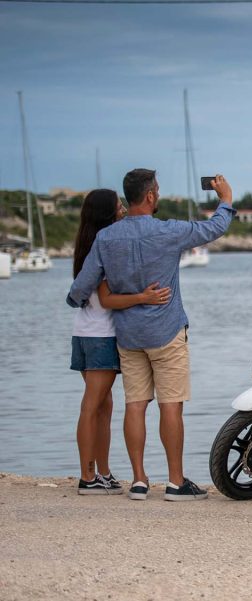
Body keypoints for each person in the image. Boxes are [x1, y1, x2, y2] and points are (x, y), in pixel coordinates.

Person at [67, 169, 235, 501]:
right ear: (150, 196)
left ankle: (139, 481)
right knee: (170, 405)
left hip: (129, 336)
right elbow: (214, 227)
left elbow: (82, 286)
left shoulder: (107, 238)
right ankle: (175, 482)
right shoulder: (168, 231)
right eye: (156, 190)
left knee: (135, 405)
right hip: (166, 330)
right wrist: (225, 199)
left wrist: (75, 299)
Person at [70, 189, 172, 495]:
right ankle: (88, 476)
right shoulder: (104, 246)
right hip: (101, 335)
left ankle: (102, 472)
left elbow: (80, 295)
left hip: (84, 333)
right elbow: (103, 297)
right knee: (92, 405)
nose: (123, 210)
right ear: (107, 213)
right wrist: (144, 297)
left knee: (103, 405)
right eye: (118, 206)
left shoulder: (90, 242)